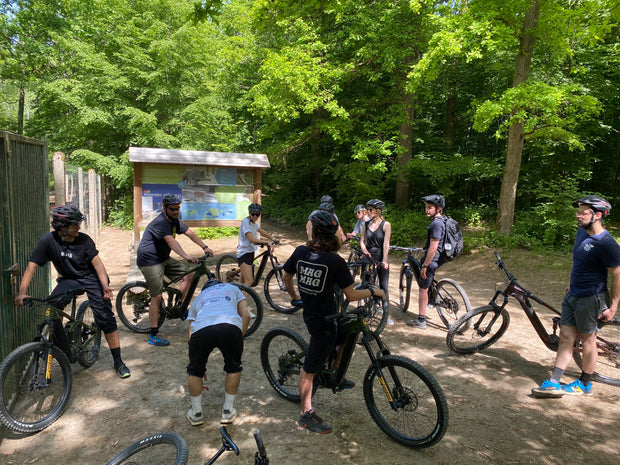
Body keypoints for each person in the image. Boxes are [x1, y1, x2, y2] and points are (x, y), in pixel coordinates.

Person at [283, 211, 385, 434]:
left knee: (348, 333)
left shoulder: (301, 252)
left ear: (315, 231)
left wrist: (295, 297)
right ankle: (306, 413)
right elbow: (352, 295)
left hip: (329, 314)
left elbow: (286, 276)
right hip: (320, 321)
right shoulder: (335, 261)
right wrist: (374, 291)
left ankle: (332, 375)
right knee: (310, 368)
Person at [15, 205, 131, 379]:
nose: (79, 227)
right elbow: (32, 266)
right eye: (75, 224)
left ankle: (119, 362)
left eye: (79, 223)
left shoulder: (84, 241)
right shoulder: (48, 241)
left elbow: (98, 265)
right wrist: (22, 293)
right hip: (69, 279)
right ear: (62, 226)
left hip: (91, 277)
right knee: (52, 306)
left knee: (105, 317)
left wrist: (105, 286)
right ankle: (63, 347)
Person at [531, 195, 620, 398]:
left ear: (598, 215)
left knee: (587, 339)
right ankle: (554, 382)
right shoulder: (581, 233)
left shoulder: (606, 244)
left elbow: (617, 275)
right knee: (566, 336)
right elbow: (580, 263)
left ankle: (585, 384)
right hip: (573, 294)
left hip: (591, 297)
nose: (578, 215)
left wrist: (613, 306)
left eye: (583, 212)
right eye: (578, 211)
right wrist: (571, 285)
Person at [136, 194, 214, 346]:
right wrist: (186, 256)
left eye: (178, 208)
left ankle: (180, 307)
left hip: (163, 258)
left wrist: (204, 247)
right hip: (150, 261)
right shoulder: (160, 223)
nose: (176, 211)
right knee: (157, 297)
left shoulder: (174, 220)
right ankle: (153, 334)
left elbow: (190, 233)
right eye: (172, 209)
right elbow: (171, 242)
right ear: (164, 208)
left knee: (189, 274)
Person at [185, 279, 250, 426]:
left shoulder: (198, 299)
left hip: (201, 330)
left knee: (195, 372)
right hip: (230, 326)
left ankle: (196, 413)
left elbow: (191, 329)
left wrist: (195, 360)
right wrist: (239, 337)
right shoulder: (232, 288)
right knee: (234, 368)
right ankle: (228, 411)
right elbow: (246, 315)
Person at [408, 195, 447, 329]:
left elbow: (433, 247)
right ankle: (434, 295)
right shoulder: (443, 220)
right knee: (428, 279)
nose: (427, 210)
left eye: (430, 207)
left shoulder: (436, 224)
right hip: (441, 257)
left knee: (422, 288)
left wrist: (425, 266)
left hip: (433, 258)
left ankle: (421, 320)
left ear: (438, 209)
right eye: (426, 207)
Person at [359, 199, 392, 323]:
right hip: (368, 256)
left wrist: (384, 260)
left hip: (380, 256)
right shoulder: (366, 224)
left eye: (370, 210)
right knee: (366, 283)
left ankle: (386, 313)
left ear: (378, 211)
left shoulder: (386, 225)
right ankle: (366, 308)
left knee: (383, 286)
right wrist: (364, 250)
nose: (368, 212)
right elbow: (362, 241)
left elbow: (386, 244)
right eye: (367, 209)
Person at [236, 203, 274, 285]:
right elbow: (252, 239)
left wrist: (273, 238)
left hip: (250, 252)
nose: (255, 216)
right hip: (244, 253)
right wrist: (266, 242)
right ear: (250, 213)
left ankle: (239, 292)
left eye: (257, 214)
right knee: (249, 282)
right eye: (253, 214)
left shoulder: (253, 223)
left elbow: (262, 232)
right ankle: (244, 294)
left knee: (242, 282)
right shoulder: (246, 223)